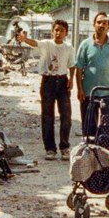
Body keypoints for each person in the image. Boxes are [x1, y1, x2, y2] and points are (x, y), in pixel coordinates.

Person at [16, 20, 75, 160]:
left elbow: (72, 65)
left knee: (66, 115)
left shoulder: (68, 47)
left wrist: (71, 80)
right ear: (52, 31)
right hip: (48, 82)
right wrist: (24, 39)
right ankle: (50, 148)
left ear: (66, 32)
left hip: (62, 82)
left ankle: (64, 147)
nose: (58, 33)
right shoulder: (47, 44)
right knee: (48, 116)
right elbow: (34, 43)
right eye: (56, 30)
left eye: (61, 30)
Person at [74, 11, 109, 136]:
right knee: (89, 127)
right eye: (99, 22)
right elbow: (79, 68)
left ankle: (105, 153)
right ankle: (90, 152)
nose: (102, 25)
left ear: (108, 27)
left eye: (105, 23)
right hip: (90, 93)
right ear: (94, 25)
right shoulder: (85, 45)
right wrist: (80, 88)